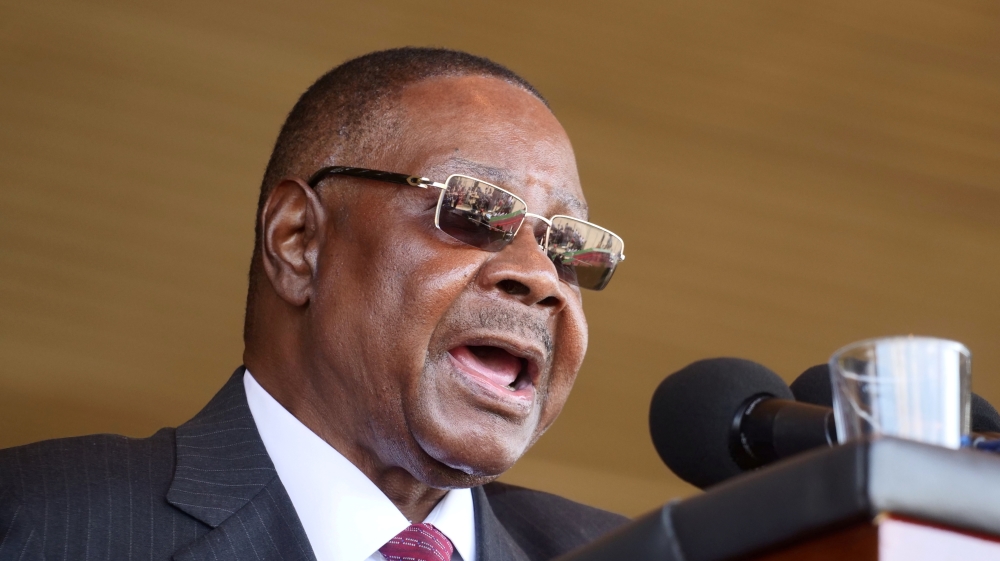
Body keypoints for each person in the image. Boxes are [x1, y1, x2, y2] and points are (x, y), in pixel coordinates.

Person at [0, 47, 629, 561]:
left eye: (566, 246)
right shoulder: (36, 522)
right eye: (475, 211)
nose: (539, 275)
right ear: (298, 240)